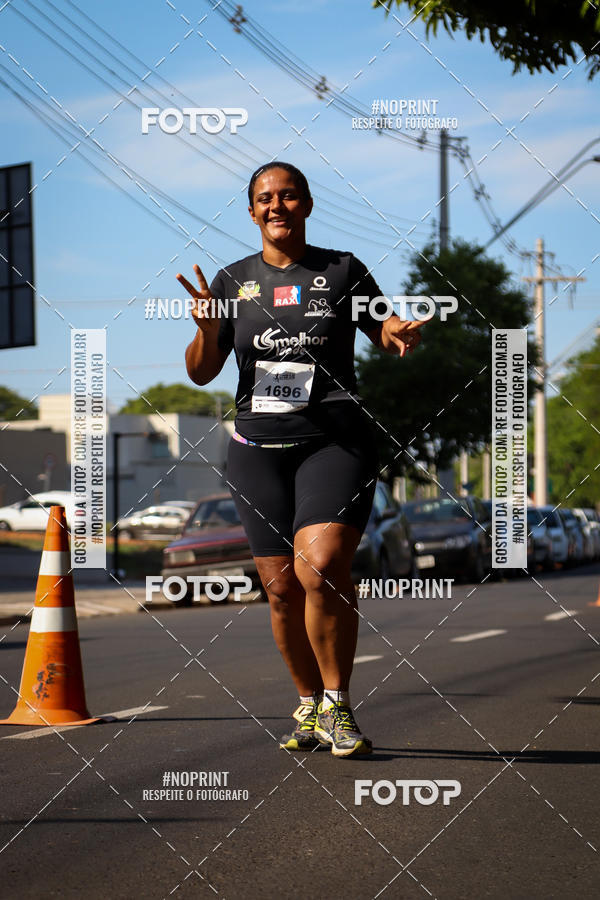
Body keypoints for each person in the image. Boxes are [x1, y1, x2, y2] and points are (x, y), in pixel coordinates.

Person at [177, 162, 425, 757]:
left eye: (288, 195)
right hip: (256, 449)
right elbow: (201, 370)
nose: (276, 206)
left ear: (307, 204)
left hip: (334, 442)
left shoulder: (342, 270)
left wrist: (397, 332)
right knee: (282, 589)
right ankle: (309, 703)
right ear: (251, 211)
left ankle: (338, 705)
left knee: (321, 567)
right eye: (265, 198)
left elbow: (382, 325)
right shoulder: (232, 281)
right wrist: (207, 329)